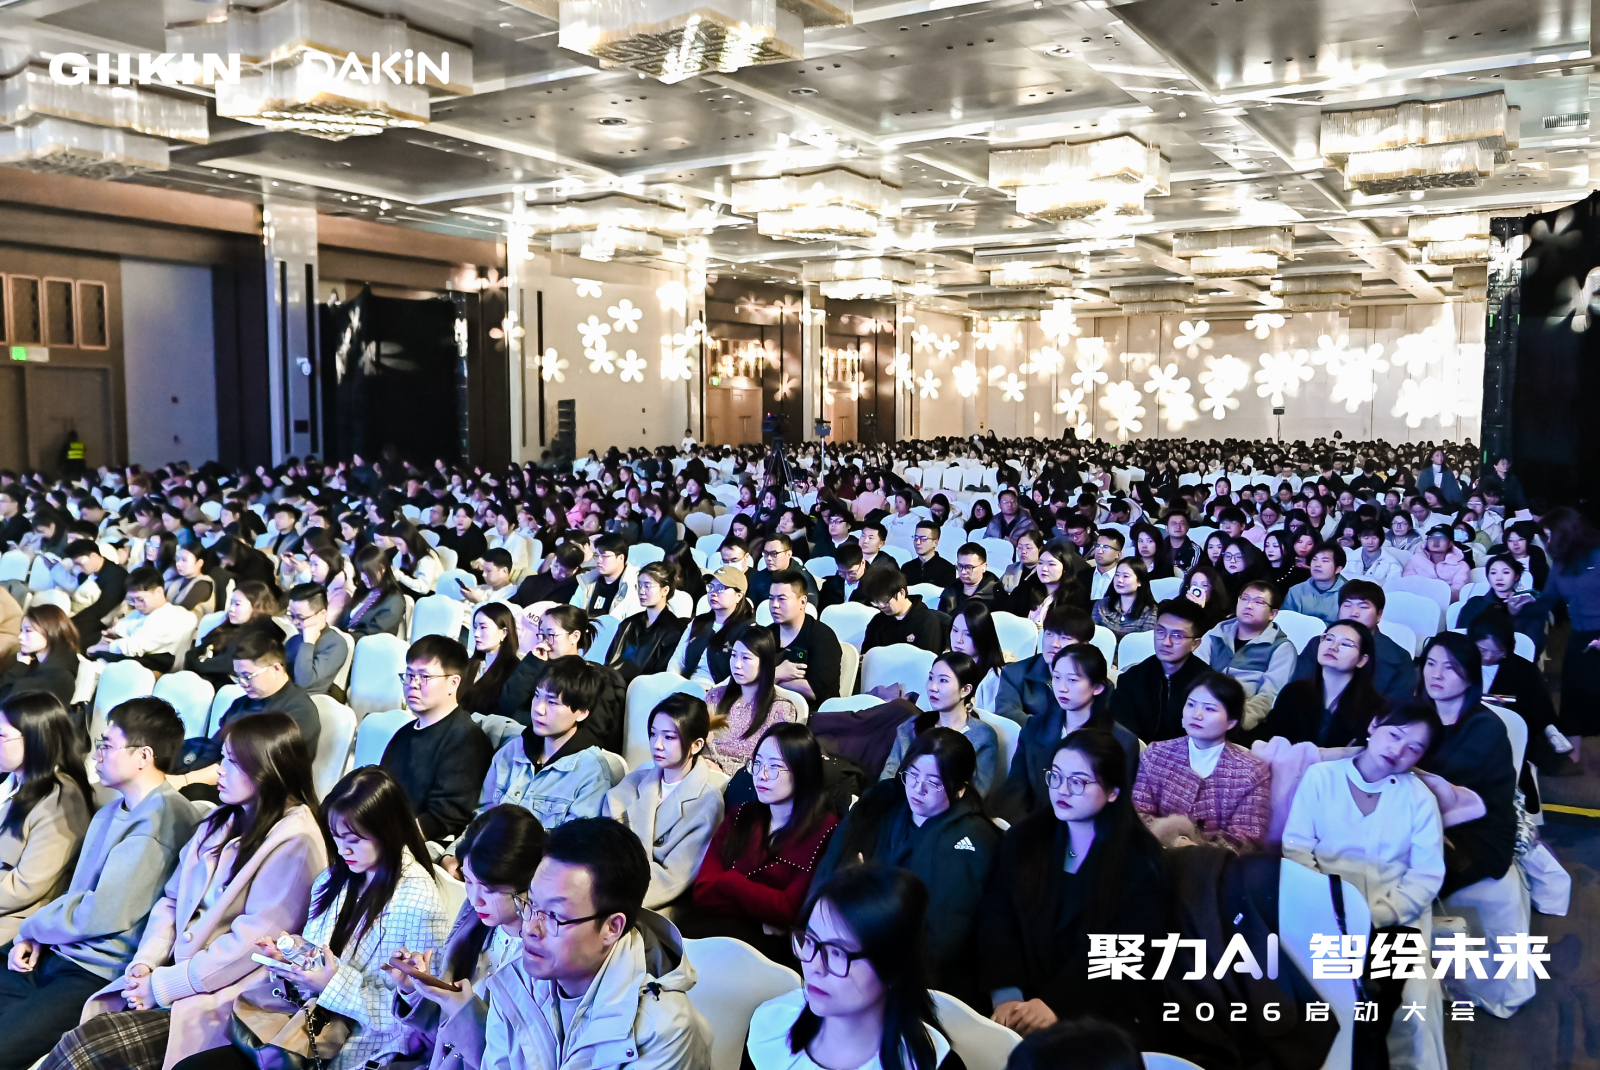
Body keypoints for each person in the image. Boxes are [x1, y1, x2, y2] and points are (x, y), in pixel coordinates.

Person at [46, 713, 328, 1070]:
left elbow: (250, 946)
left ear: (266, 769)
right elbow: (172, 901)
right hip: (171, 976)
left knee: (87, 1047)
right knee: (81, 1040)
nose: (219, 770)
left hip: (227, 995)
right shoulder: (221, 820)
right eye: (223, 757)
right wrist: (145, 963)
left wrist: (162, 985)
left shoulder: (296, 841)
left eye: (232, 761)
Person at [0, 698, 199, 1070]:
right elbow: (76, 894)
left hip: (95, 971)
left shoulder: (161, 821)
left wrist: (32, 928)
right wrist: (35, 937)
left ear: (143, 756)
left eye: (107, 745)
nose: (97, 755)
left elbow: (101, 914)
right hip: (60, 953)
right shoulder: (112, 810)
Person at [238, 767, 452, 1070]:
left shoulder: (418, 902)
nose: (342, 849)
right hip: (303, 1031)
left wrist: (333, 984)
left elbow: (420, 1021)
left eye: (353, 839)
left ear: (387, 831)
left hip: (361, 1053)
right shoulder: (333, 879)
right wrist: (291, 959)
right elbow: (318, 960)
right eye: (336, 837)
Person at [480, 817, 713, 1070]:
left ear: (612, 928)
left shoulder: (664, 1030)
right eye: (531, 904)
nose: (530, 928)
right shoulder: (515, 980)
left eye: (555, 915)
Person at [981, 729, 1166, 1037]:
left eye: (1078, 782)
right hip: (1018, 997)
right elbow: (997, 913)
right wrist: (1006, 992)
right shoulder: (1026, 837)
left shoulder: (1141, 860)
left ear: (1113, 791)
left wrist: (1056, 1004)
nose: (1062, 790)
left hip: (1094, 1009)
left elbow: (1129, 949)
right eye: (1055, 776)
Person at [745, 865, 964, 1070]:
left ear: (894, 969)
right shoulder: (769, 1028)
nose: (815, 966)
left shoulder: (930, 1063)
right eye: (810, 941)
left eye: (837, 952)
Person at [389, 805, 546, 1070]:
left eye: (489, 889)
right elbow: (442, 1031)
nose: (475, 898)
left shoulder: (543, 956)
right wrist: (414, 989)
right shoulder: (476, 919)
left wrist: (465, 1013)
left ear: (527, 885)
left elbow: (511, 1062)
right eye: (469, 880)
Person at [1282, 702, 1446, 931]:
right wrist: (1326, 906)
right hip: (1321, 911)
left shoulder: (1421, 799)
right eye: (1394, 735)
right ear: (1373, 725)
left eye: (1413, 749)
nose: (1398, 751)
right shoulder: (1321, 777)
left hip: (1394, 920)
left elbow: (1426, 874)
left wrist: (1378, 916)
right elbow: (1296, 848)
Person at [684, 723, 839, 963]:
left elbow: (791, 910)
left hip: (775, 954)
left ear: (803, 771)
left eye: (775, 767)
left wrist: (730, 881)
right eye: (757, 763)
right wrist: (764, 918)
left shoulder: (825, 829)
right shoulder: (741, 815)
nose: (761, 775)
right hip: (720, 932)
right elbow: (703, 893)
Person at [602, 694, 729, 914]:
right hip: (607, 885)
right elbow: (602, 842)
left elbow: (674, 878)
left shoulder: (707, 802)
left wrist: (609, 898)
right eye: (653, 734)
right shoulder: (634, 781)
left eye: (669, 737)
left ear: (696, 745)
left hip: (654, 904)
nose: (657, 745)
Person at [468, 655, 617, 841]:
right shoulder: (513, 749)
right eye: (537, 695)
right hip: (481, 852)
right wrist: (454, 852)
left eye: (552, 702)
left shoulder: (591, 775)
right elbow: (482, 815)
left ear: (581, 712)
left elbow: (570, 847)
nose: (539, 708)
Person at [1415, 633, 1516, 896]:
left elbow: (1444, 788)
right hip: (1423, 819)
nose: (1436, 674)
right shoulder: (1417, 716)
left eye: (1449, 667)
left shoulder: (1486, 727)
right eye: (1430, 663)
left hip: (1476, 833)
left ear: (1470, 675)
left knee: (1408, 873)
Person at [1130, 673, 1270, 852]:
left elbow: (1246, 839)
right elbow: (1138, 813)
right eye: (1190, 704)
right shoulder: (1156, 754)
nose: (1196, 715)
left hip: (1216, 866)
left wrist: (1195, 852)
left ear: (1231, 722)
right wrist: (1174, 840)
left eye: (1209, 709)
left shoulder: (1252, 771)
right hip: (1154, 855)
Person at [171, 632, 321, 800]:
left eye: (248, 676)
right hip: (227, 779)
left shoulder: (298, 713)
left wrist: (186, 780)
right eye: (238, 677)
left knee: (190, 793)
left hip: (264, 793)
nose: (242, 684)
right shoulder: (243, 703)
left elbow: (252, 767)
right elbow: (215, 746)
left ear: (276, 669)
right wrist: (184, 773)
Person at [997, 645, 1138, 822]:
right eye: (1056, 677)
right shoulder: (1035, 727)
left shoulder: (1122, 741)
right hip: (1035, 827)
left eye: (1072, 680)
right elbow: (1015, 791)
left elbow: (1118, 809)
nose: (1062, 688)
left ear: (1097, 687)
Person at [381, 636, 495, 844]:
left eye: (424, 677)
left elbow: (443, 818)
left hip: (419, 846)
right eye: (409, 675)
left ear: (453, 683)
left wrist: (384, 841)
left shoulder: (466, 740)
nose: (413, 685)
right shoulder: (404, 732)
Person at [0, 694, 92, 946]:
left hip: (13, 922)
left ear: (34, 739)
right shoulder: (15, 780)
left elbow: (25, 887)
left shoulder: (61, 800)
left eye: (1, 736)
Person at [1512, 507, 1600, 755]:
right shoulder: (1562, 563)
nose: (1546, 541)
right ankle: (1572, 757)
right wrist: (1517, 608)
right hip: (1580, 635)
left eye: (1550, 535)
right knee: (1572, 695)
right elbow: (1548, 600)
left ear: (1568, 533)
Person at [879, 653, 1002, 796]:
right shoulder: (912, 725)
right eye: (931, 678)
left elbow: (977, 793)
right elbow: (890, 773)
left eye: (943, 680)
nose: (933, 687)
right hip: (900, 802)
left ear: (965, 690)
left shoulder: (982, 736)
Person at [1469, 608, 1569, 783]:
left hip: (1504, 738)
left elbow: (1537, 714)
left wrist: (1506, 712)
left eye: (1498, 651)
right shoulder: (1459, 662)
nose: (1488, 657)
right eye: (1482, 650)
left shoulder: (1524, 671)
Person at [1287, 581, 1418, 707]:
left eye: (1363, 607)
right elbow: (1298, 691)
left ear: (1379, 615)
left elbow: (1395, 709)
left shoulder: (1399, 658)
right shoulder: (1319, 644)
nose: (1353, 613)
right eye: (1347, 605)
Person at [1267, 620, 1389, 747]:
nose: (1333, 647)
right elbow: (1271, 740)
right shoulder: (1293, 692)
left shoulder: (1374, 709)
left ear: (1362, 660)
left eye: (1346, 644)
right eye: (1328, 639)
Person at [1198, 580, 1296, 731]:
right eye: (1244, 599)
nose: (1249, 605)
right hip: (1200, 710)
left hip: (1242, 724)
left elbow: (1268, 698)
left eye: (1258, 602)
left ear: (1273, 614)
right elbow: (1194, 673)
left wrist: (1235, 722)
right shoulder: (1216, 634)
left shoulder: (1281, 648)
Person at [1110, 598, 1210, 744]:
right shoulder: (1133, 677)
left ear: (1195, 644)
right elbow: (1122, 732)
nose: (1166, 642)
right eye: (1161, 631)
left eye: (1177, 636)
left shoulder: (1209, 685)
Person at [705, 625, 803, 776]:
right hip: (702, 773)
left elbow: (773, 765)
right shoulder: (715, 696)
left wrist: (723, 770)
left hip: (745, 782)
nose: (737, 664)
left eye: (745, 658)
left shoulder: (780, 710)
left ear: (764, 663)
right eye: (734, 655)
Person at [995, 603, 1096, 726]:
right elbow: (1007, 715)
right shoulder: (1014, 673)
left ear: (1084, 645)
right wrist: (1055, 729)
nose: (1054, 644)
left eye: (1065, 638)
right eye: (1049, 634)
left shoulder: (1095, 682)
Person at [85, 567, 192, 672]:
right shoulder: (142, 612)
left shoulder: (168, 617)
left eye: (140, 599)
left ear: (159, 592)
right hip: (120, 662)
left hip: (142, 668)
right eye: (133, 600)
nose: (136, 605)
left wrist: (99, 648)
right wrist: (113, 636)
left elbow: (134, 646)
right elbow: (120, 629)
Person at [669, 566, 756, 688]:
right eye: (711, 587)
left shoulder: (748, 630)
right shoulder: (698, 622)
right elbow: (677, 661)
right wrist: (674, 684)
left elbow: (740, 674)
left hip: (720, 692)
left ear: (739, 595)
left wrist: (714, 694)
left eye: (720, 588)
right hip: (686, 687)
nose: (713, 593)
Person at [768, 570, 843, 709]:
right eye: (771, 598)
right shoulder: (766, 633)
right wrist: (777, 673)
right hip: (771, 710)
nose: (775, 605)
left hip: (815, 714)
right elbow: (745, 676)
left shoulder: (823, 637)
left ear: (802, 602)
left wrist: (767, 679)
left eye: (782, 599)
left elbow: (814, 691)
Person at [184, 581, 281, 687]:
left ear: (257, 607)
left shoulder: (261, 637)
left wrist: (198, 663)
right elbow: (193, 653)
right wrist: (197, 662)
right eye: (231, 603)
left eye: (237, 604)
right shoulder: (227, 627)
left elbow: (226, 666)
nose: (231, 609)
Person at [604, 561, 686, 682]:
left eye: (647, 586)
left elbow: (661, 673)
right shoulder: (628, 623)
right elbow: (610, 661)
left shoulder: (675, 630)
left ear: (665, 590)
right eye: (639, 585)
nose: (641, 591)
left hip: (644, 687)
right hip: (614, 683)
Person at [1458, 555, 1546, 655]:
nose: (1499, 578)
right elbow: (1462, 639)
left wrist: (1514, 615)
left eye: (1506, 572)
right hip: (1476, 658)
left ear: (1516, 576)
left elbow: (1531, 647)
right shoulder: (1475, 603)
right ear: (1487, 577)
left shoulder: (1530, 606)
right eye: (1493, 573)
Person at [860, 566, 950, 656]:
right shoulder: (877, 621)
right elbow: (867, 655)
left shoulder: (926, 621)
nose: (881, 606)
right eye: (876, 602)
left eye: (885, 601)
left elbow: (927, 659)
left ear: (901, 593)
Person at [0, 606, 79, 708]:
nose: (20, 636)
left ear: (50, 631)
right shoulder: (38, 660)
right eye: (22, 630)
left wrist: (21, 666)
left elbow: (4, 698)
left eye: (28, 631)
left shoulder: (58, 677)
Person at [458, 602, 524, 716]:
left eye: (483, 627)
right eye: (475, 627)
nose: (476, 634)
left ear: (504, 632)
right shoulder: (470, 664)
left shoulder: (514, 671)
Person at [282, 583, 345, 696]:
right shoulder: (295, 639)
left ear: (322, 614)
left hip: (307, 701)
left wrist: (308, 644)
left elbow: (303, 682)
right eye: (292, 616)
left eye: (301, 617)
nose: (294, 622)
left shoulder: (336, 644)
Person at [66, 539, 128, 651]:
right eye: (76, 565)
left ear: (94, 556)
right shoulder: (85, 574)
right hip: (86, 615)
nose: (78, 568)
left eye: (80, 564)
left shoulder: (116, 576)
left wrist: (70, 622)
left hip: (106, 622)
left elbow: (102, 609)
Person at [339, 543, 408, 638]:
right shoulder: (364, 590)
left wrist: (347, 636)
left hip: (367, 644)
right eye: (361, 572)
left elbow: (373, 633)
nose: (363, 578)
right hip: (347, 639)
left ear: (382, 569)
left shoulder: (394, 600)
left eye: (367, 573)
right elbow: (344, 622)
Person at [571, 532, 642, 620]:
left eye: (604, 556)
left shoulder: (634, 584)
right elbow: (572, 613)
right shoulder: (587, 580)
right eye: (597, 555)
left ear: (621, 558)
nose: (599, 560)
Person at [1091, 556, 1157, 639]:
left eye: (1126, 576)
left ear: (1139, 582)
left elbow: (1145, 643)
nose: (1119, 580)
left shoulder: (1150, 612)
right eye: (1117, 575)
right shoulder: (1101, 605)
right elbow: (1092, 636)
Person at [1282, 543, 1347, 624]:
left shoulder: (1348, 593)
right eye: (1314, 559)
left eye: (1325, 561)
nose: (1317, 564)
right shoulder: (1295, 591)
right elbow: (1285, 622)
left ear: (1338, 569)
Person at [1402, 525, 1471, 599]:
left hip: (1446, 602)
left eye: (1442, 538)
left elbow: (1458, 591)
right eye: (1432, 538)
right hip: (1416, 600)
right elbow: (1407, 583)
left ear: (1450, 543)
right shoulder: (1415, 560)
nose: (1436, 541)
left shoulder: (1461, 566)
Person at [938, 542, 1001, 616]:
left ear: (984, 567)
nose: (963, 572)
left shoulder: (996, 594)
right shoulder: (950, 590)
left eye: (969, 567)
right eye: (960, 566)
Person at [1344, 522, 1403, 587]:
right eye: (1366, 538)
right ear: (1359, 537)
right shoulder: (1348, 558)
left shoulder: (1392, 564)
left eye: (1374, 538)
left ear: (1381, 539)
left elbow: (1392, 587)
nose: (1370, 542)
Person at [903, 521, 957, 590]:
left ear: (935, 542)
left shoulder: (947, 569)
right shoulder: (906, 567)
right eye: (916, 538)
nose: (918, 542)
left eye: (923, 539)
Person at [819, 543, 871, 610]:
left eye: (852, 573)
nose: (847, 577)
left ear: (863, 563)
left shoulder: (876, 584)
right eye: (842, 573)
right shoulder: (830, 585)